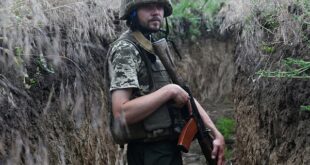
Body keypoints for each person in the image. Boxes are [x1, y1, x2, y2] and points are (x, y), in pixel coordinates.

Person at [105, 0, 225, 164]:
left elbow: (185, 95)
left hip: (166, 149)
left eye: (159, 6)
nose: (156, 12)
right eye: (148, 6)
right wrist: (169, 91)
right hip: (148, 152)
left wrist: (215, 133)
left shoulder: (153, 47)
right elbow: (121, 113)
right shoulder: (126, 49)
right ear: (132, 12)